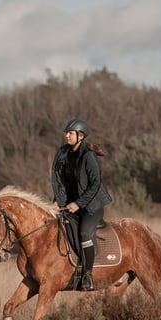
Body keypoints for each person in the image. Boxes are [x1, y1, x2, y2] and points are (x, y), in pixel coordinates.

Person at [51, 118, 112, 291]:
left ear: (81, 136)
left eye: (70, 133)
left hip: (92, 207)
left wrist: (78, 203)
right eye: (67, 133)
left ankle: (88, 276)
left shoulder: (89, 156)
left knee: (85, 233)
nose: (66, 135)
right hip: (72, 205)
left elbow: (95, 184)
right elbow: (61, 182)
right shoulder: (65, 155)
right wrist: (57, 200)